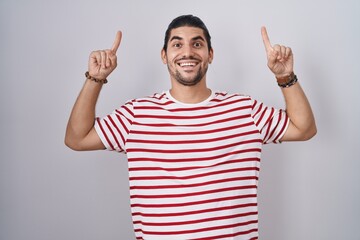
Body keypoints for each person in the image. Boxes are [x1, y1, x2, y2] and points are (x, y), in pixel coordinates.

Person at [65, 15, 316, 240]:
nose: (187, 52)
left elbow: (303, 129)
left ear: (210, 54)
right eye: (177, 44)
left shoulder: (244, 110)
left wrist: (285, 76)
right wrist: (95, 78)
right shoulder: (136, 114)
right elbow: (77, 138)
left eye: (197, 44)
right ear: (164, 56)